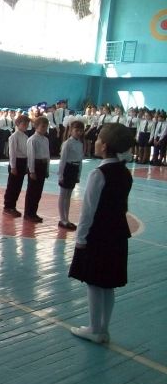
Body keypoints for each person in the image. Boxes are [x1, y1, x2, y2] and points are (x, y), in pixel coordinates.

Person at [68, 123, 134, 344]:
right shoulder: (125, 172)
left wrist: (80, 238)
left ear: (104, 146)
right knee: (108, 283)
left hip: (99, 234)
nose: (95, 142)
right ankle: (103, 328)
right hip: (117, 233)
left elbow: (88, 211)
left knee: (94, 281)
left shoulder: (99, 173)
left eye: (98, 139)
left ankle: (95, 329)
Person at [57, 120, 84, 230]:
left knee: (68, 196)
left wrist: (78, 175)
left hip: (74, 169)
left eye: (81, 131)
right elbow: (62, 160)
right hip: (67, 168)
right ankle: (62, 219)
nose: (79, 133)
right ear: (71, 130)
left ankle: (66, 218)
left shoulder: (80, 144)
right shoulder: (67, 143)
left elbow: (80, 160)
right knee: (63, 194)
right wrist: (61, 175)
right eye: (77, 130)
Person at [23, 116, 50, 223]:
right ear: (36, 126)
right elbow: (31, 156)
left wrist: (47, 169)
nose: (44, 129)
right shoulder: (32, 139)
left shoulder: (46, 139)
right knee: (32, 192)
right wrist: (32, 171)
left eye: (46, 127)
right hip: (35, 166)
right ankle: (28, 213)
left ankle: (33, 212)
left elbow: (47, 155)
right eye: (42, 126)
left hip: (43, 166)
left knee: (38, 192)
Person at [3, 114, 29, 218]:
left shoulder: (26, 137)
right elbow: (12, 153)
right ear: (18, 124)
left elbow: (27, 153)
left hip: (23, 162)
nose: (26, 125)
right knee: (12, 186)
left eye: (27, 124)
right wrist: (13, 167)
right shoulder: (13, 137)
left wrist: (27, 165)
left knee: (18, 186)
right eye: (24, 124)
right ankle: (7, 206)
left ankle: (13, 206)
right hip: (16, 162)